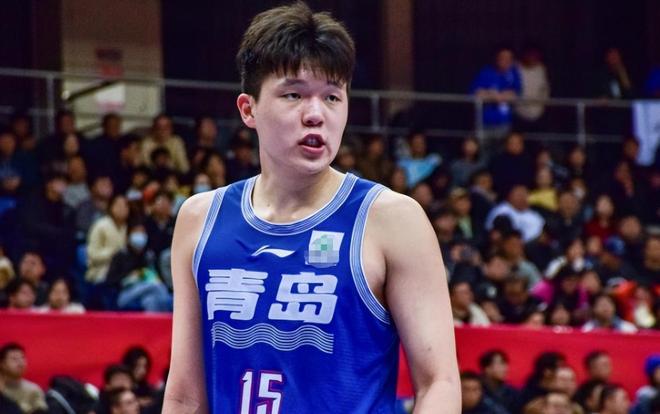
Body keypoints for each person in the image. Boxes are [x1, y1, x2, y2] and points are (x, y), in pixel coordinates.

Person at [163, 2, 460, 413]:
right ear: (248, 109)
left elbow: (439, 383)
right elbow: (184, 396)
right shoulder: (200, 219)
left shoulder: (392, 220)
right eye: (294, 94)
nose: (316, 115)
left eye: (332, 97)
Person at [0, 343, 48, 413]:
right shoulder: (2, 389)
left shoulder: (33, 390)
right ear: (2, 364)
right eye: (14, 359)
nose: (20, 363)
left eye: (22, 358)